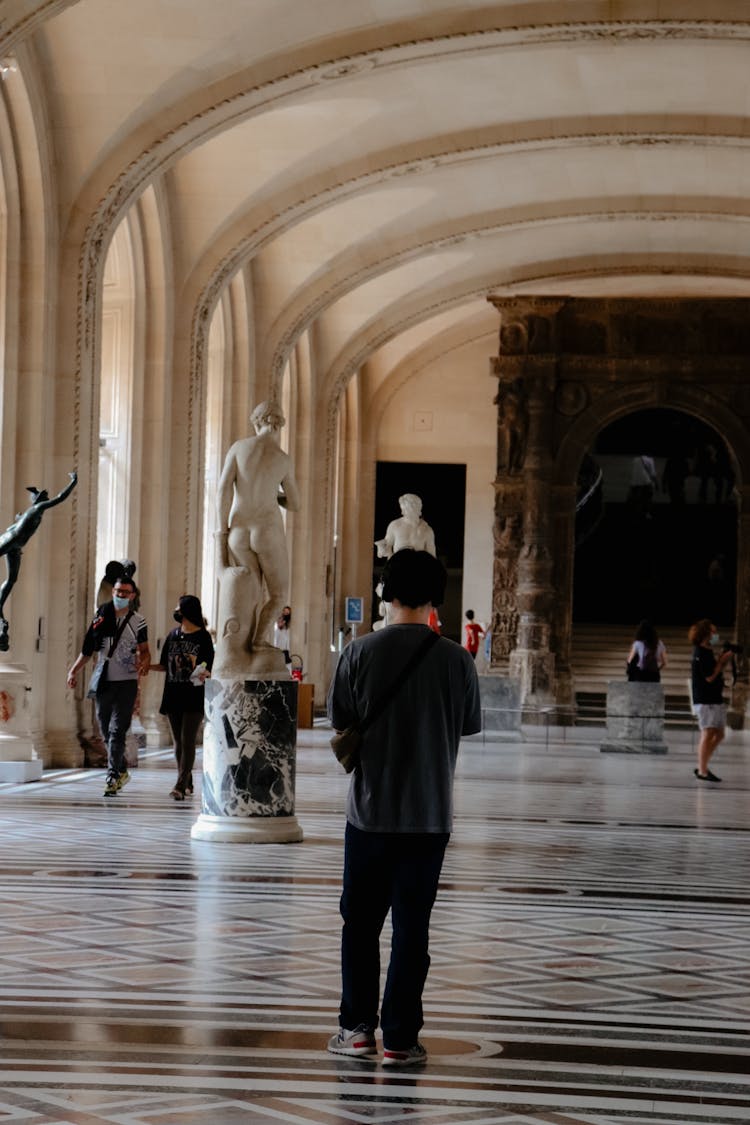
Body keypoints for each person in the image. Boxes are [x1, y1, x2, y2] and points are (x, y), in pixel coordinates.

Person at [326, 548, 481, 1067]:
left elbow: (341, 719)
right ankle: (399, 1037)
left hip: (368, 814)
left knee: (360, 924)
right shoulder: (457, 659)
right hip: (429, 816)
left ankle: (355, 1029)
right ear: (437, 597)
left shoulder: (358, 653)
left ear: (384, 593)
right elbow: (464, 725)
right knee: (413, 928)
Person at [216, 401, 300, 663]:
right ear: (278, 425)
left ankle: (239, 652)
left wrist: (222, 531)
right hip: (267, 529)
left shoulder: (239, 448)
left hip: (238, 529)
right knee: (277, 595)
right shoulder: (282, 459)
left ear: (257, 422)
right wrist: (274, 495)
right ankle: (259, 641)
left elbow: (222, 491)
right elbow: (295, 503)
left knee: (249, 593)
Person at [67, 575, 150, 796]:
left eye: (125, 592)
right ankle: (121, 769)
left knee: (117, 730)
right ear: (112, 592)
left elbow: (145, 649)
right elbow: (88, 649)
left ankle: (112, 775)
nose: (120, 596)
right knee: (104, 728)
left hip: (127, 682)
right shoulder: (101, 617)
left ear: (132, 595)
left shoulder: (138, 621)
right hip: (103, 680)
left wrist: (144, 663)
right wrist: (73, 670)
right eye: (117, 591)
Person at [0, 471, 77, 648]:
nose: (47, 498)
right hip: (10, 540)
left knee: (12, 579)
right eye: (44, 497)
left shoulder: (36, 514)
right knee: (11, 579)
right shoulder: (37, 509)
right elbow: (60, 498)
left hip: (16, 546)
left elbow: (19, 524)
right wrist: (73, 482)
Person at [150, 595, 214, 801]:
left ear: (187, 610)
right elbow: (163, 665)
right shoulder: (173, 635)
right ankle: (186, 779)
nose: (176, 611)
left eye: (179, 608)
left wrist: (206, 673)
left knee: (188, 741)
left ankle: (179, 784)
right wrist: (146, 667)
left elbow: (210, 666)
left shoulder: (203, 637)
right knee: (178, 741)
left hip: (194, 694)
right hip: (173, 694)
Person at [688, 618, 734, 783]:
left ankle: (703, 763)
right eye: (713, 632)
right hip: (705, 699)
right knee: (707, 733)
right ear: (706, 634)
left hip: (714, 698)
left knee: (719, 733)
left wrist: (721, 660)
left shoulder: (707, 651)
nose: (716, 635)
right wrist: (721, 662)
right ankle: (702, 770)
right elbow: (709, 677)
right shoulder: (700, 653)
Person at [374, 494, 436, 559]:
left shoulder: (427, 530)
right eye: (402, 509)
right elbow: (386, 548)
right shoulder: (395, 525)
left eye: (405, 510)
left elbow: (432, 556)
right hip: (397, 567)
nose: (402, 512)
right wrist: (381, 550)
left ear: (416, 509)